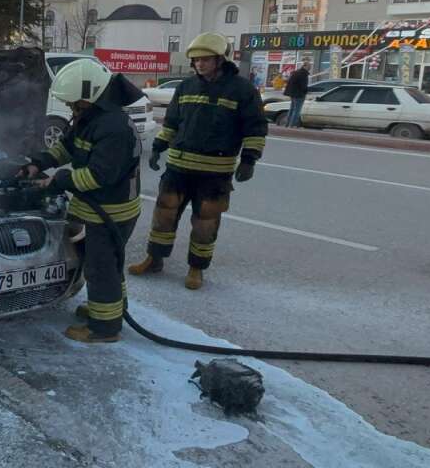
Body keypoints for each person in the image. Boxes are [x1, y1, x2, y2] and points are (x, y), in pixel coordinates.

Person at [132, 32, 267, 290]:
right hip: (178, 167)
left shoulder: (242, 90)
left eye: (205, 59)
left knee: (206, 222)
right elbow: (172, 122)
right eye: (196, 60)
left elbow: (256, 128)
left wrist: (249, 159)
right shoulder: (185, 87)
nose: (200, 64)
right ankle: (155, 258)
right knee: (164, 214)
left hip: (215, 172)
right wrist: (159, 145)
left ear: (219, 59)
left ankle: (196, 268)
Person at [22, 59, 143, 343]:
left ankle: (104, 328)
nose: (70, 109)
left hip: (111, 212)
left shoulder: (113, 127)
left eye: (74, 103)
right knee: (107, 266)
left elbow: (97, 177)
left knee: (100, 268)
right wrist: (39, 162)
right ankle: (110, 308)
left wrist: (57, 181)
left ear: (89, 96)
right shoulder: (94, 116)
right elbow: (68, 146)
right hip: (100, 209)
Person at [284, 59, 310, 128]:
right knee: (297, 111)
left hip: (293, 94)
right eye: (309, 66)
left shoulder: (296, 72)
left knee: (292, 109)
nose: (310, 67)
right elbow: (303, 86)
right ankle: (292, 125)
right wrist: (307, 91)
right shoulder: (303, 74)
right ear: (305, 66)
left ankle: (287, 124)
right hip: (299, 95)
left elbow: (289, 83)